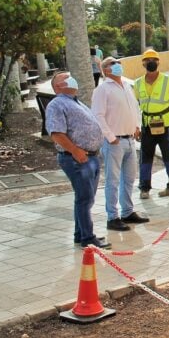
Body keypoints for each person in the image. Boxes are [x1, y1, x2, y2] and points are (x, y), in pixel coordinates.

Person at [45, 72, 111, 249]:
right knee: (84, 198)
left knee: (86, 198)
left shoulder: (75, 101)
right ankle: (88, 238)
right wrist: (75, 150)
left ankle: (80, 233)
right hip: (77, 159)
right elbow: (56, 132)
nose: (71, 78)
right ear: (58, 86)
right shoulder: (57, 104)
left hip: (91, 156)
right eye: (65, 77)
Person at [91, 56, 149, 231]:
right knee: (113, 180)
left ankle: (127, 212)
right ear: (105, 69)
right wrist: (110, 137)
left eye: (118, 62)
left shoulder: (126, 86)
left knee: (129, 179)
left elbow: (135, 108)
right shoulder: (103, 89)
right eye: (112, 63)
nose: (117, 65)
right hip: (115, 142)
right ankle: (112, 217)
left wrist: (137, 126)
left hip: (130, 140)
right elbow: (98, 115)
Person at [133, 49, 169, 199]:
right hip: (147, 125)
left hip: (165, 125)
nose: (151, 62)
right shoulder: (137, 83)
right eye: (148, 60)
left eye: (154, 60)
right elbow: (135, 107)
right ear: (143, 63)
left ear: (158, 62)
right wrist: (136, 127)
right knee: (146, 156)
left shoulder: (168, 80)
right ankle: (144, 188)